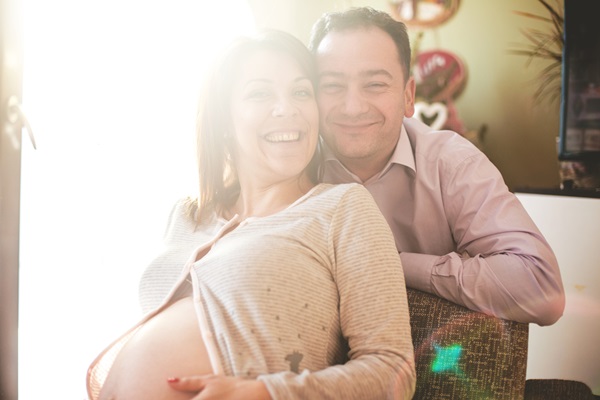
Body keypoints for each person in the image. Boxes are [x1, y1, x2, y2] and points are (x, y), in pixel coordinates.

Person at [87, 29, 416, 400]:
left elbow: (393, 371)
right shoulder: (188, 215)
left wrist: (264, 393)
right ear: (224, 121)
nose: (287, 108)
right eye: (260, 93)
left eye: (301, 92)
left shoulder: (343, 208)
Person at [308, 7, 565, 326]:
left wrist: (392, 263)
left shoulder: (451, 162)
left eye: (375, 84)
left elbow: (541, 289)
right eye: (332, 86)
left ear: (408, 96)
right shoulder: (293, 165)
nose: (353, 107)